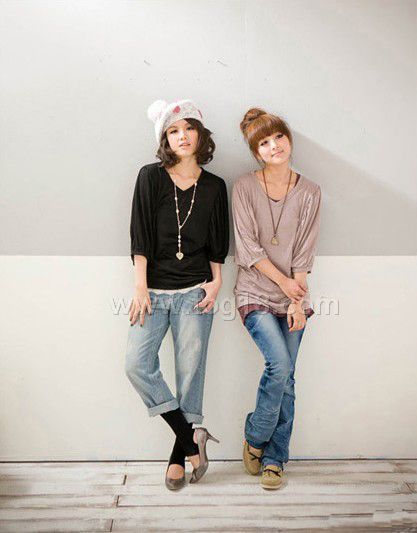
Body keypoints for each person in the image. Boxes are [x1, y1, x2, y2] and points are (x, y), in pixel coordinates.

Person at [125, 99, 229, 490]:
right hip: (152, 291)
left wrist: (217, 281)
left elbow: (218, 241)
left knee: (190, 374)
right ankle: (191, 439)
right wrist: (139, 286)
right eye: (173, 130)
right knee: (137, 364)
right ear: (165, 139)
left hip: (195, 292)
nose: (182, 136)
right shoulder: (150, 177)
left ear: (200, 135)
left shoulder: (215, 186)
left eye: (188, 128)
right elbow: (139, 235)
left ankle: (177, 457)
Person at [232, 107, 322, 490]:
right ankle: (256, 435)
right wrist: (284, 285)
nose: (274, 146)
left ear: (289, 139)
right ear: (257, 152)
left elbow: (304, 252)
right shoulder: (244, 187)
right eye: (264, 143)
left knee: (288, 378)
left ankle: (274, 459)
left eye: (278, 137)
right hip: (254, 291)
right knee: (280, 364)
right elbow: (248, 248)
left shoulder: (310, 192)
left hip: (293, 295)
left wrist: (297, 300)